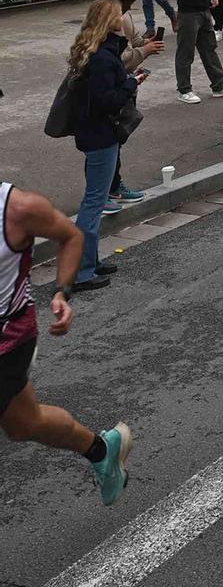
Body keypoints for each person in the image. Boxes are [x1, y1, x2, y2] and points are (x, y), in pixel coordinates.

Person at [0, 178, 133, 503]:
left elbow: (71, 236)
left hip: (8, 342)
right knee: (23, 424)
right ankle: (101, 449)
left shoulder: (19, 208)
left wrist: (62, 292)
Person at [68, 0, 145, 292]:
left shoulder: (97, 52)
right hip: (101, 135)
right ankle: (82, 271)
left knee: (95, 199)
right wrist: (130, 84)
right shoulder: (102, 58)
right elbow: (106, 101)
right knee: (93, 202)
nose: (123, 17)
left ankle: (90, 261)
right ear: (108, 20)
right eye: (119, 14)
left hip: (95, 134)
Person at [98, 0, 163, 212]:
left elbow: (132, 42)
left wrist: (146, 43)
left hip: (123, 84)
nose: (126, 11)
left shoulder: (123, 16)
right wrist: (144, 51)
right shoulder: (111, 20)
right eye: (127, 4)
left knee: (115, 141)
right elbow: (118, 59)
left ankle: (112, 186)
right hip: (116, 86)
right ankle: (105, 190)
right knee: (106, 143)